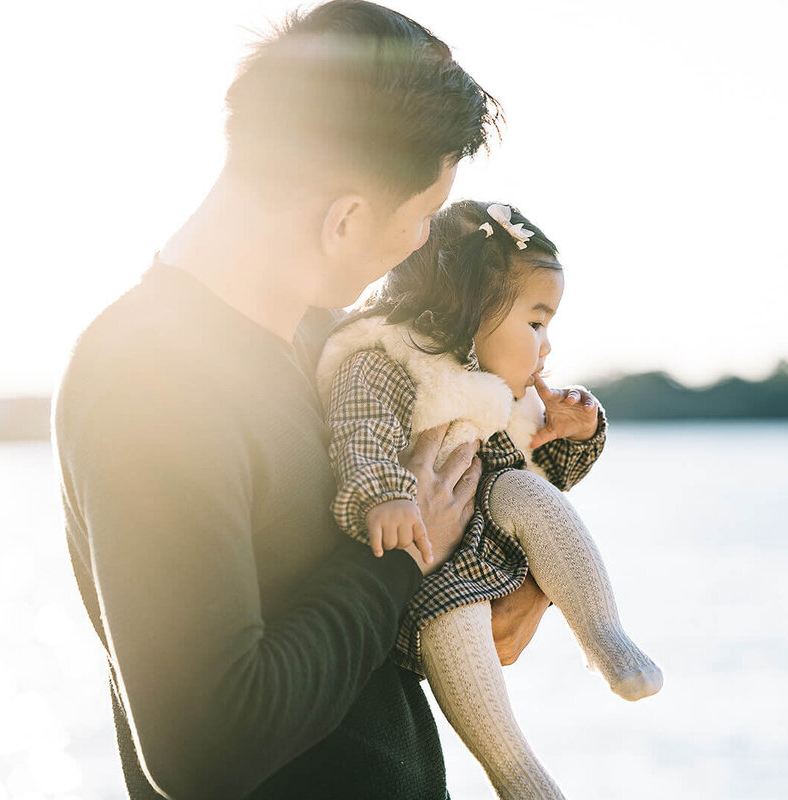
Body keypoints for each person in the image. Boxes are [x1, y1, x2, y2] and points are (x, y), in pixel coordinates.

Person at [52, 3, 550, 797]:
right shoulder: (146, 381)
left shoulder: (336, 340)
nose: (422, 242)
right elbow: (205, 754)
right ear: (345, 218)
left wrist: (528, 583)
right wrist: (397, 556)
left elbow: (460, 468)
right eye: (421, 217)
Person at [317, 200, 663, 799]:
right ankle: (517, 777)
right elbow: (361, 431)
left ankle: (605, 635)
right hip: (423, 573)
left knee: (526, 490)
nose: (547, 346)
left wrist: (578, 429)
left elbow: (548, 478)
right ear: (470, 308)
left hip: (491, 541)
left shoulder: (497, 392)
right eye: (535, 323)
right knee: (453, 622)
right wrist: (385, 496)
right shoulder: (387, 360)